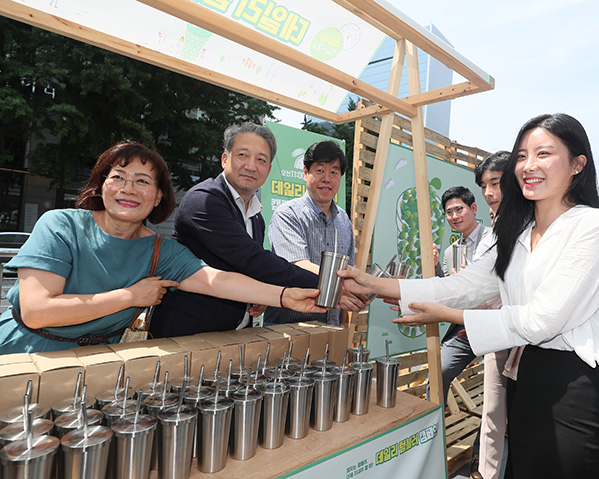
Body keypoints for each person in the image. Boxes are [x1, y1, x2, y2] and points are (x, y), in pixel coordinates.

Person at [339, 113, 599, 478]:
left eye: (544, 154)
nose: (529, 166)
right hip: (525, 376)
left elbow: (542, 320)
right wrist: (374, 283)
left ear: (577, 164)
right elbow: (462, 286)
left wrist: (449, 316)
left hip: (571, 383)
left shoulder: (589, 226)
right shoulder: (517, 231)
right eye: (522, 156)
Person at [0, 142, 326, 354]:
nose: (129, 188)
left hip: (98, 361)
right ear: (101, 185)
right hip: (26, 353)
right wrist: (131, 296)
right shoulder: (61, 225)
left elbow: (217, 280)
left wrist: (285, 296)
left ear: (158, 197)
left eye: (143, 181)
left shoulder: (159, 251)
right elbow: (37, 309)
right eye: (119, 177)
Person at [150, 123, 319, 337]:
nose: (251, 166)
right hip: (187, 335)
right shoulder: (204, 200)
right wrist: (327, 285)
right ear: (224, 159)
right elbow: (252, 259)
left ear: (268, 169)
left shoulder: (256, 216)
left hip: (234, 336)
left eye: (261, 160)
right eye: (243, 155)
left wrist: (259, 296)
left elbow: (248, 270)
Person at [263, 140, 365, 326]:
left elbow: (346, 272)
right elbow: (298, 265)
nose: (327, 178)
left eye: (334, 172)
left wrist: (342, 326)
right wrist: (339, 288)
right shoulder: (287, 214)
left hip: (331, 327)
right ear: (305, 172)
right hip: (289, 327)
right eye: (320, 170)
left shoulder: (344, 220)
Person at [470, 150, 510, 479]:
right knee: (493, 413)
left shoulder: (535, 223)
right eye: (484, 185)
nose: (488, 193)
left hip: (531, 339)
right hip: (495, 333)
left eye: (495, 183)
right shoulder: (494, 227)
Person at [432, 186, 489, 404]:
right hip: (463, 328)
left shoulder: (495, 238)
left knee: (501, 387)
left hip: (494, 323)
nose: (454, 216)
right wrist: (436, 267)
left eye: (459, 209)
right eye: (449, 212)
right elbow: (447, 289)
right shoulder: (450, 252)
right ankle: (433, 431)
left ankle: (492, 436)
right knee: (438, 374)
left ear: (473, 208)